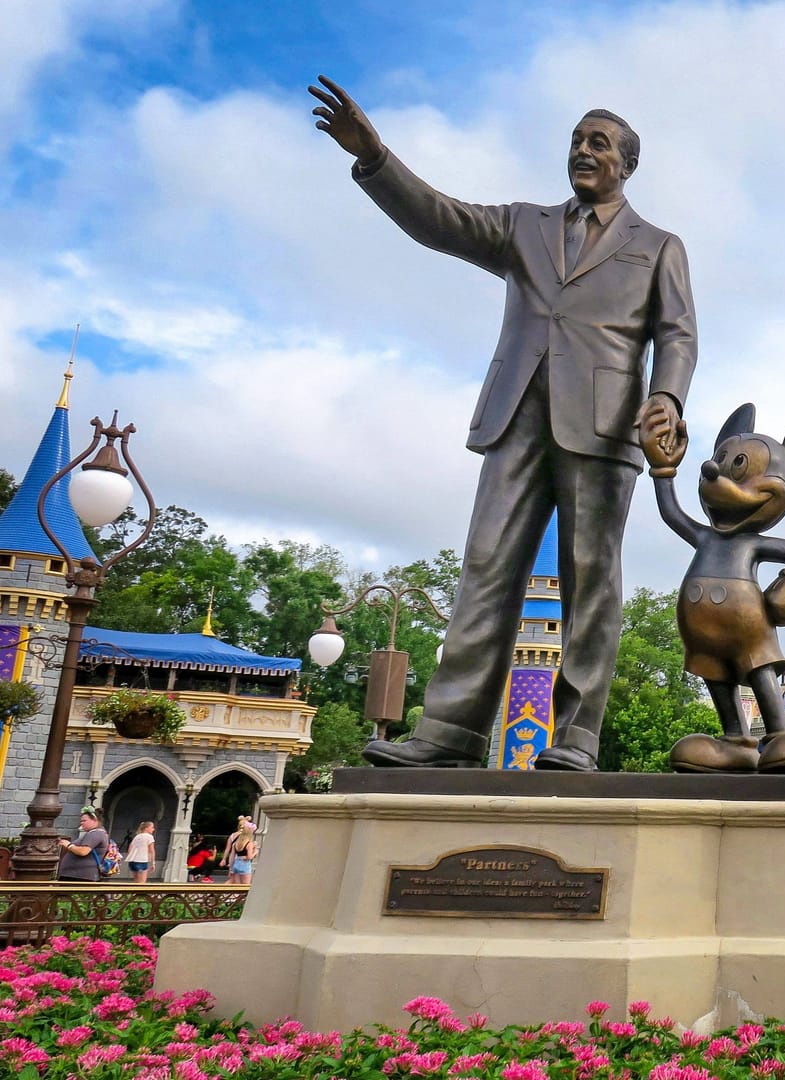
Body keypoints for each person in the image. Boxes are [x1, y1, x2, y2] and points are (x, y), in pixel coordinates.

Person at [309, 78, 696, 772]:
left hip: (606, 429)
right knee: (486, 567)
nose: (583, 150)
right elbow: (440, 219)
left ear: (628, 165)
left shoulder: (659, 244)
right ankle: (450, 732)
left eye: (599, 143)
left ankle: (575, 736)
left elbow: (678, 335)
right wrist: (375, 159)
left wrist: (666, 397)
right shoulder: (525, 224)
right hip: (516, 416)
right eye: (577, 139)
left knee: (591, 581)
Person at [56, 808, 110, 884]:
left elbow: (83, 851)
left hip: (80, 876)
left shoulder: (96, 834)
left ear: (94, 820)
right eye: (81, 821)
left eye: (84, 821)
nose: (81, 823)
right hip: (76, 875)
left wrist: (69, 845)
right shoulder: (94, 833)